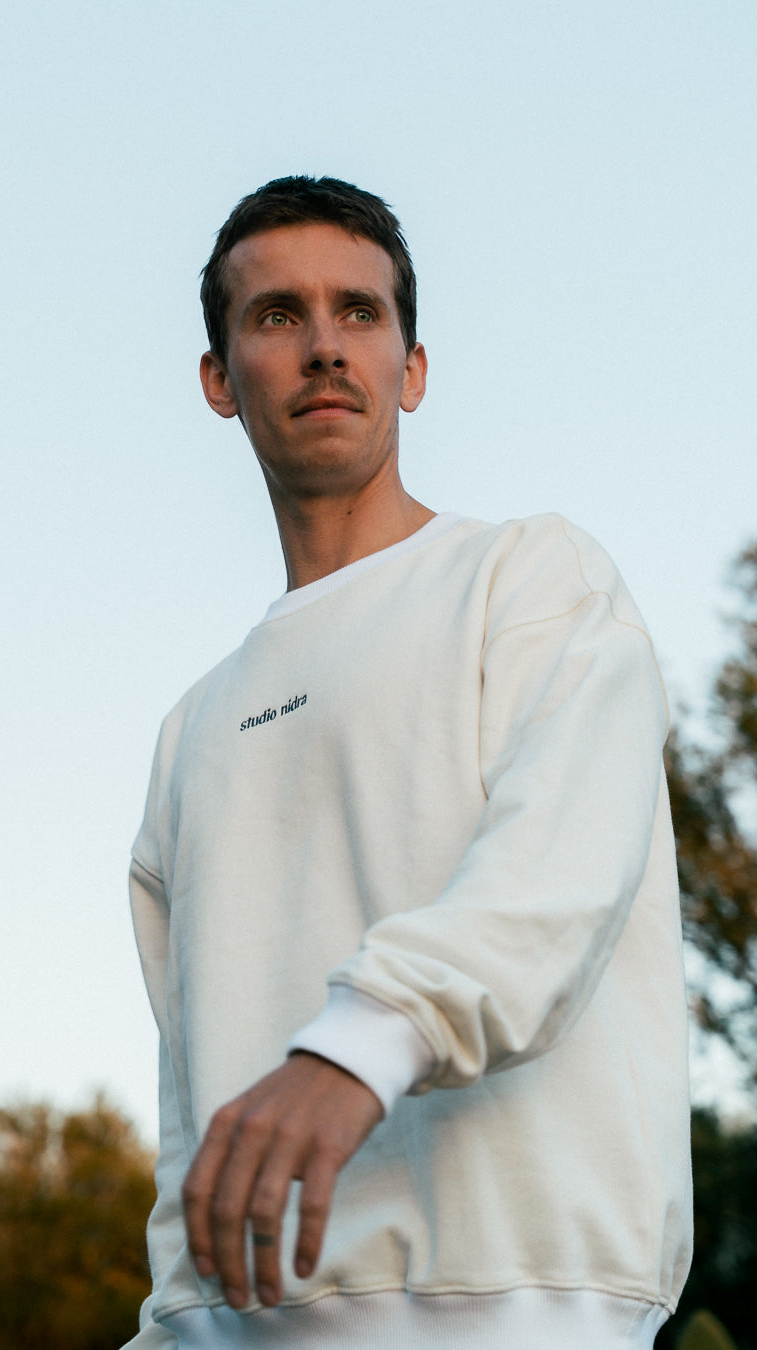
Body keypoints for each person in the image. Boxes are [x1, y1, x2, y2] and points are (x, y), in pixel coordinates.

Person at [125, 175, 692, 1350]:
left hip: (530, 1309)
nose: (326, 346)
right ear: (220, 381)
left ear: (412, 368)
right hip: (245, 1329)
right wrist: (174, 1319)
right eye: (278, 316)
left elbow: (557, 875)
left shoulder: (531, 580)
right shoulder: (193, 726)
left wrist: (361, 1045)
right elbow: (195, 1091)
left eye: (361, 313)